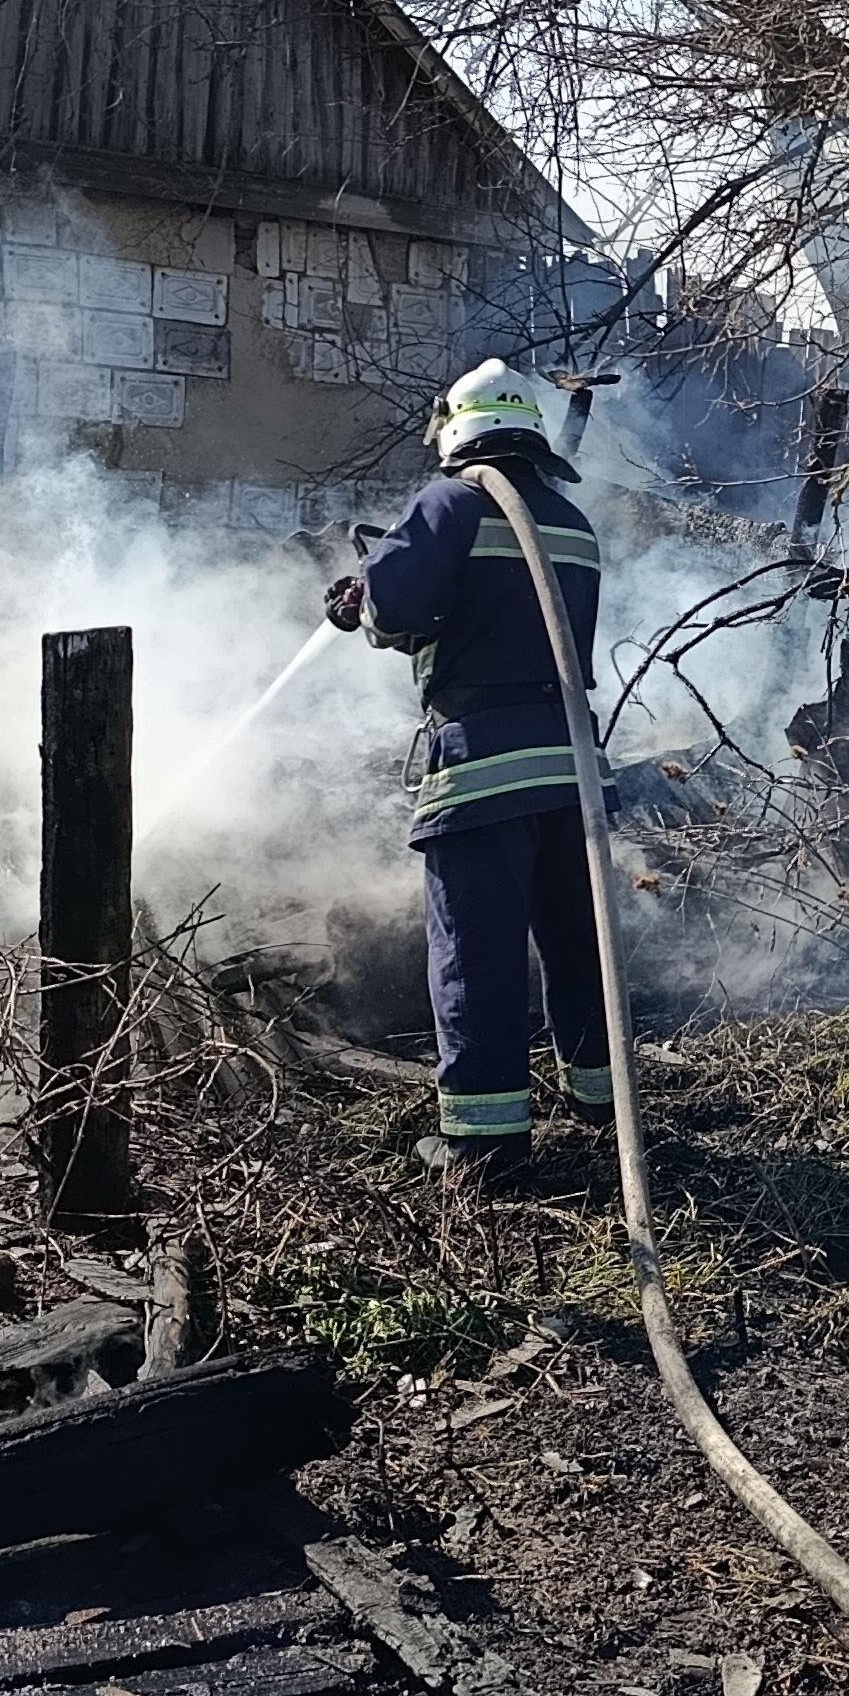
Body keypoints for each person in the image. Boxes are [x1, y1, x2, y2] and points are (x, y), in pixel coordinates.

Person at [326, 361, 608, 1188]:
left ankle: (483, 1149)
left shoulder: (449, 502)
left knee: (476, 952)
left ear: (456, 430)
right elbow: (517, 620)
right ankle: (601, 1106)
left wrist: (360, 602)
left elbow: (398, 610)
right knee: (579, 943)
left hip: (485, 768)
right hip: (571, 769)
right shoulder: (569, 518)